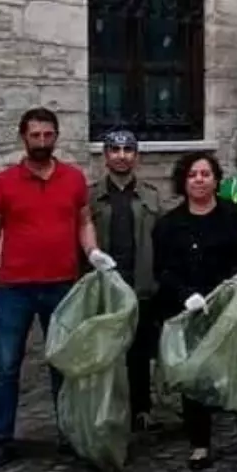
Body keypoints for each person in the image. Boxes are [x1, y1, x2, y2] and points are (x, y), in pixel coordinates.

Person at [0, 108, 116, 471]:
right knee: (5, 367)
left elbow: (84, 223)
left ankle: (69, 435)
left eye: (48, 135)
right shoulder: (3, 182)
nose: (42, 142)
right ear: (23, 137)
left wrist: (92, 251)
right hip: (14, 288)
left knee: (63, 367)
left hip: (62, 286)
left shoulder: (73, 179)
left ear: (56, 136)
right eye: (36, 136)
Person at [152, 151, 237, 470]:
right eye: (192, 175)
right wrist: (185, 294)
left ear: (216, 180)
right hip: (194, 311)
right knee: (196, 378)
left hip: (234, 308)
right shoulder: (169, 225)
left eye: (205, 174)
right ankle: (200, 444)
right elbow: (163, 270)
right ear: (183, 182)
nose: (199, 180)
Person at [89, 128, 163, 432]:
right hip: (106, 286)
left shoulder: (150, 195)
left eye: (128, 150)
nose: (122, 156)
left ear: (137, 156)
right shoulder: (91, 196)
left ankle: (141, 408)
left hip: (141, 283)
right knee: (107, 352)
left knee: (140, 351)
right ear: (106, 156)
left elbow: (161, 239)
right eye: (115, 150)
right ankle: (109, 408)